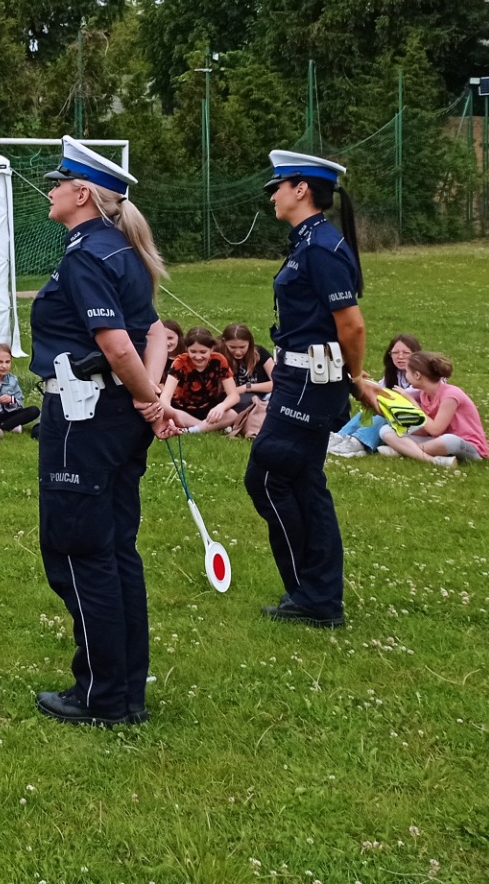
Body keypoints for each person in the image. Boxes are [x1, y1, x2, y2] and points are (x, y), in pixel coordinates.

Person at [29, 137, 173, 727]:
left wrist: (149, 398)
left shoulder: (87, 253)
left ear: (82, 193)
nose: (52, 189)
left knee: (79, 552)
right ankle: (125, 685)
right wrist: (150, 398)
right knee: (116, 550)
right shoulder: (123, 250)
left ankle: (102, 695)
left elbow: (118, 344)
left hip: (83, 419)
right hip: (114, 418)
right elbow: (158, 333)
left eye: (59, 181)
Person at [248, 149, 378, 632]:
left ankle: (312, 592)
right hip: (302, 378)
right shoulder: (309, 241)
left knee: (269, 476)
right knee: (300, 481)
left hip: (311, 382)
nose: (274, 195)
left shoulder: (320, 246)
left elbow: (352, 324)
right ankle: (316, 594)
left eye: (278, 186)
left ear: (301, 189)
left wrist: (356, 376)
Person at [378, 351, 488, 465]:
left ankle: (403, 451)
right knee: (386, 430)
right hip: (437, 441)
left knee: (450, 440)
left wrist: (413, 403)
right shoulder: (424, 394)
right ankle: (432, 460)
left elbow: (436, 430)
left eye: (407, 372)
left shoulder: (451, 395)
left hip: (467, 446)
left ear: (417, 375)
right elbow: (426, 431)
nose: (406, 376)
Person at [158, 326, 241, 433]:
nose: (198, 357)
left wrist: (221, 407)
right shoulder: (180, 362)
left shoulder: (219, 360)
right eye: (193, 352)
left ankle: (194, 429)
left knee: (232, 414)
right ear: (187, 349)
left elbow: (234, 395)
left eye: (203, 352)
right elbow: (166, 396)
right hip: (183, 409)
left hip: (210, 408)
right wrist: (168, 411)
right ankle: (203, 427)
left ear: (211, 349)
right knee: (167, 410)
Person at [212, 324, 273, 437]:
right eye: (233, 347)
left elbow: (277, 382)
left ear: (250, 343)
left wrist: (247, 387)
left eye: (242, 347)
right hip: (236, 400)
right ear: (224, 342)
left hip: (264, 397)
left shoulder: (260, 353)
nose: (238, 352)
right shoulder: (219, 357)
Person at [0, 342, 39, 434]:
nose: (4, 366)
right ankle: (8, 426)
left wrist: (11, 400)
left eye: (7, 362)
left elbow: (20, 403)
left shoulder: (12, 380)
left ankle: (1, 426)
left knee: (34, 410)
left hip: (7, 413)